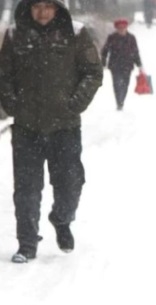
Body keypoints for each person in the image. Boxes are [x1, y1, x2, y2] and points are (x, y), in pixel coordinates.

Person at [0, 0, 103, 263]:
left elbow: (93, 72)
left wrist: (75, 104)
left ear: (58, 8)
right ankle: (26, 243)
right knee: (26, 190)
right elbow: (3, 75)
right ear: (28, 8)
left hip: (64, 127)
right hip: (26, 128)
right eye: (36, 7)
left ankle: (61, 219)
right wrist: (11, 103)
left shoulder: (75, 33)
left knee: (70, 185)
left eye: (48, 6)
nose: (42, 12)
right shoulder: (15, 35)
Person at [101, 18, 143, 111]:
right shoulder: (112, 37)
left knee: (125, 84)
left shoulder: (131, 38)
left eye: (123, 27)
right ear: (116, 28)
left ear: (126, 28)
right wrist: (103, 63)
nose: (121, 29)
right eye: (119, 28)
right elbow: (105, 50)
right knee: (116, 84)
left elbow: (135, 52)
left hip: (128, 65)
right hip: (115, 65)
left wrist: (139, 65)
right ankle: (118, 102)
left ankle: (121, 100)